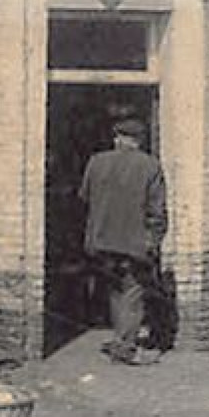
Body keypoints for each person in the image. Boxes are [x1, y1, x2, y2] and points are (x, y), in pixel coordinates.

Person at [80, 118, 168, 366]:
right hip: (134, 243)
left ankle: (120, 340)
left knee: (116, 290)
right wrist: (153, 242)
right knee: (133, 293)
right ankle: (126, 348)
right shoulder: (150, 165)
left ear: (117, 138)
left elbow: (84, 196)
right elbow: (157, 211)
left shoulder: (96, 162)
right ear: (138, 140)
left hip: (101, 241)